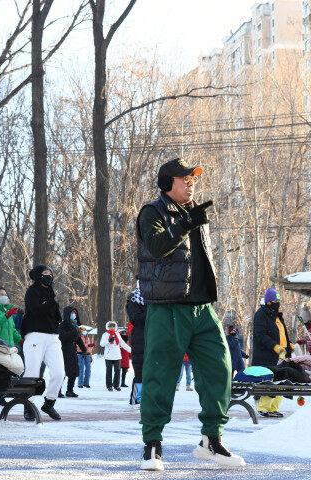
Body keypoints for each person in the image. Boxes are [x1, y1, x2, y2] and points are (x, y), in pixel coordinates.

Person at [137, 158, 244, 470]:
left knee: (220, 369)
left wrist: (191, 221)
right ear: (167, 182)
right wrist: (185, 224)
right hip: (167, 308)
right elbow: (157, 247)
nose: (191, 183)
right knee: (160, 375)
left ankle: (212, 439)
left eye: (193, 178)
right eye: (185, 178)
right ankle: (152, 444)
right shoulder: (152, 212)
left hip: (202, 307)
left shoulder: (196, 213)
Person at [21, 264, 65, 421]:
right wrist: (49, 304)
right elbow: (36, 310)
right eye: (45, 273)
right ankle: (28, 405)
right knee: (32, 372)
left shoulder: (51, 293)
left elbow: (57, 317)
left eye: (50, 274)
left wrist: (54, 308)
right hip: (35, 335)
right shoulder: (32, 291)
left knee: (59, 373)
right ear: (39, 276)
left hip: (52, 337)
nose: (49, 276)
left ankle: (49, 402)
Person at [252, 288, 295, 419]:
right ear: (269, 302)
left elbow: (281, 334)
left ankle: (273, 408)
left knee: (281, 380)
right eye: (275, 300)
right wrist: (275, 346)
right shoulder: (261, 315)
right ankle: (263, 407)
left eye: (278, 300)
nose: (278, 303)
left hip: (282, 354)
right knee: (270, 381)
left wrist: (288, 344)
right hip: (266, 355)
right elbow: (261, 335)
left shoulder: (277, 316)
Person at [58, 306, 86, 398]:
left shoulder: (75, 325)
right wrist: (74, 332)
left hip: (73, 351)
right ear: (67, 314)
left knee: (73, 371)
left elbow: (78, 339)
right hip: (64, 351)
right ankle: (57, 390)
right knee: (63, 371)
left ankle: (70, 390)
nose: (74, 315)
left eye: (75, 313)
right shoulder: (63, 325)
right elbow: (62, 337)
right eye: (72, 313)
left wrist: (83, 349)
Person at [126, 282, 146, 406]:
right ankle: (136, 399)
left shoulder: (153, 299)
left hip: (152, 338)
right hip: (139, 339)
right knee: (140, 371)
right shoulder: (133, 300)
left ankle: (147, 398)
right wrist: (152, 312)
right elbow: (135, 318)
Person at [100, 321, 130, 391]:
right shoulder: (105, 334)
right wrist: (108, 341)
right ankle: (109, 386)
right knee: (109, 371)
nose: (112, 327)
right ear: (107, 327)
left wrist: (131, 350)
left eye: (113, 326)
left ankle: (116, 385)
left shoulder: (117, 334)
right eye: (110, 326)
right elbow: (101, 344)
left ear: (115, 327)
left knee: (117, 371)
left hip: (117, 356)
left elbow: (122, 344)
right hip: (108, 356)